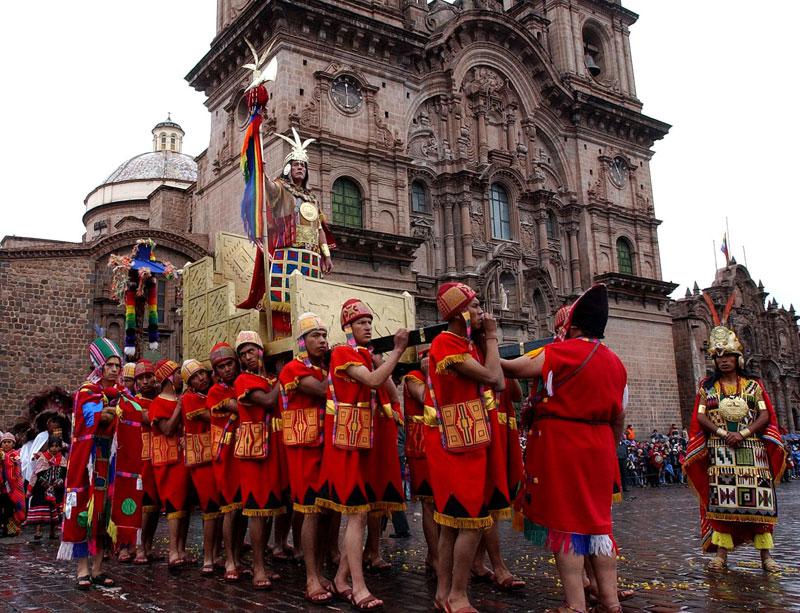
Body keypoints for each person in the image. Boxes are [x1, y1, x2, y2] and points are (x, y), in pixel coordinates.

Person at [503, 284, 627, 613]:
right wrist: (606, 449)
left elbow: (517, 369)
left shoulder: (563, 352)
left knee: (567, 525)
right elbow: (619, 416)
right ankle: (611, 601)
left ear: (572, 327)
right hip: (600, 448)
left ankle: (575, 604)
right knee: (600, 527)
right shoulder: (616, 363)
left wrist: (488, 349)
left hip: (564, 446)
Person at [316, 298, 408, 611]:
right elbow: (371, 381)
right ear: (347, 327)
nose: (367, 326)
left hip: (363, 442)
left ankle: (342, 580)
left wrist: (382, 360)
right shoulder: (342, 352)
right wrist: (396, 352)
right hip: (347, 445)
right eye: (360, 323)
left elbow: (390, 390)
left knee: (362, 513)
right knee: (355, 516)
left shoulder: (366, 357)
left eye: (369, 322)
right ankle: (357, 587)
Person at [683, 309, 786, 573]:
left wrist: (743, 433)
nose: (724, 361)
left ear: (738, 358)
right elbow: (701, 416)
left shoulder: (753, 386)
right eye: (719, 357)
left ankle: (766, 556)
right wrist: (721, 434)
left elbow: (764, 414)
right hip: (721, 452)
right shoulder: (708, 388)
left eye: (728, 356)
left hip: (752, 451)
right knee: (722, 505)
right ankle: (721, 555)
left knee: (760, 504)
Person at [423, 282, 504, 613]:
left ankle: (445, 593)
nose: (481, 312)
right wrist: (495, 336)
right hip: (456, 445)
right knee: (470, 519)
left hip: (467, 440)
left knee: (454, 522)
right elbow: (495, 379)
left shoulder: (465, 344)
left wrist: (483, 340)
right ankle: (457, 594)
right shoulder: (446, 343)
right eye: (475, 306)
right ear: (459, 312)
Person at [238, 127, 335, 337]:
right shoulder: (281, 188)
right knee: (284, 300)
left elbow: (319, 228)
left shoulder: (312, 198)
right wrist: (261, 170)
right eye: (296, 165)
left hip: (311, 255)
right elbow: (268, 188)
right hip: (288, 252)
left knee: (308, 299)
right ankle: (284, 336)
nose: (300, 168)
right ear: (288, 169)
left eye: (303, 166)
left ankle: (309, 332)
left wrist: (326, 255)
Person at [278, 312, 334, 603]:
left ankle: (321, 570)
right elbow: (326, 392)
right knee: (311, 510)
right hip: (303, 448)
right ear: (301, 342)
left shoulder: (324, 369)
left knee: (325, 512)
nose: (323, 341)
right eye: (316, 336)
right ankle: (311, 577)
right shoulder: (292, 369)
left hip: (326, 447)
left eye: (325, 335)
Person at [58, 338, 122, 590]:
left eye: (118, 364)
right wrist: (112, 412)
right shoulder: (87, 392)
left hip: (109, 460)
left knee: (104, 512)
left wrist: (116, 410)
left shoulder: (120, 394)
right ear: (99, 366)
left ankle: (98, 568)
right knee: (84, 512)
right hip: (87, 463)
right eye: (110, 364)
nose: (115, 369)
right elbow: (95, 417)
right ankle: (82, 568)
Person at [234, 330, 287, 589]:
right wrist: (283, 375)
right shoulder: (243, 380)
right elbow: (267, 401)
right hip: (254, 451)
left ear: (260, 351)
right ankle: (257, 567)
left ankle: (263, 561)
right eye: (242, 354)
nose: (247, 357)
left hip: (272, 448)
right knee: (256, 510)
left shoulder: (266, 378)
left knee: (269, 511)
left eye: (250, 351)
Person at [149, 359, 192, 569]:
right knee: (174, 504)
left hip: (184, 457)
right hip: (169, 460)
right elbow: (167, 429)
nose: (180, 378)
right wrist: (179, 408)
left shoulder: (179, 398)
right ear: (168, 378)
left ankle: (182, 549)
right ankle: (173, 550)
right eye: (176, 374)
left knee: (185, 505)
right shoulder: (158, 402)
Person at [206, 342, 244, 580]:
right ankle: (230, 560)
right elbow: (240, 407)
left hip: (243, 451)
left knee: (242, 510)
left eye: (230, 364)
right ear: (216, 371)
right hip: (225, 456)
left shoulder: (240, 384)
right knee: (230, 509)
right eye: (221, 367)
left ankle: (238, 557)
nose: (227, 370)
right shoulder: (216, 392)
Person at [180, 359, 221, 576]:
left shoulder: (208, 394)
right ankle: (208, 557)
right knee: (210, 506)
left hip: (215, 453)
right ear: (190, 384)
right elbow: (213, 415)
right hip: (201, 456)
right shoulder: (189, 398)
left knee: (218, 505)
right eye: (194, 377)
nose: (201, 378)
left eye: (202, 373)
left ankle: (216, 553)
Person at [401, 350, 438, 573]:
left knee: (441, 503)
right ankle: (434, 556)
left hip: (439, 443)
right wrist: (430, 373)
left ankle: (438, 555)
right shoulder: (414, 376)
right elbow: (426, 396)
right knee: (429, 502)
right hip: (421, 445)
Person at [131, 359, 162, 564]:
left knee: (155, 504)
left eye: (148, 377)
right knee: (143, 504)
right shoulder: (134, 401)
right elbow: (148, 418)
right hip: (140, 459)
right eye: (140, 378)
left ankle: (149, 545)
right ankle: (139, 547)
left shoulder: (160, 400)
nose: (145, 382)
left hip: (158, 456)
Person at [26, 435, 67, 540]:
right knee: (41, 508)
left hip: (57, 489)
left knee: (55, 510)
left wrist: (60, 482)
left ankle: (52, 532)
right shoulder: (42, 458)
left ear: (60, 447)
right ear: (48, 447)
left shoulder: (62, 460)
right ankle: (38, 530)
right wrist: (44, 484)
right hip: (42, 488)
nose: (54, 448)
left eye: (57, 446)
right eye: (52, 446)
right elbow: (37, 473)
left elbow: (64, 474)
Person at [1, 431, 25, 537]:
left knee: (10, 510)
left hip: (12, 488)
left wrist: (15, 480)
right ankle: (2, 528)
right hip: (2, 488)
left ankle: (10, 530)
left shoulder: (15, 455)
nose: (6, 444)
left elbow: (18, 469)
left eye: (9, 442)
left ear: (13, 444)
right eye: (4, 442)